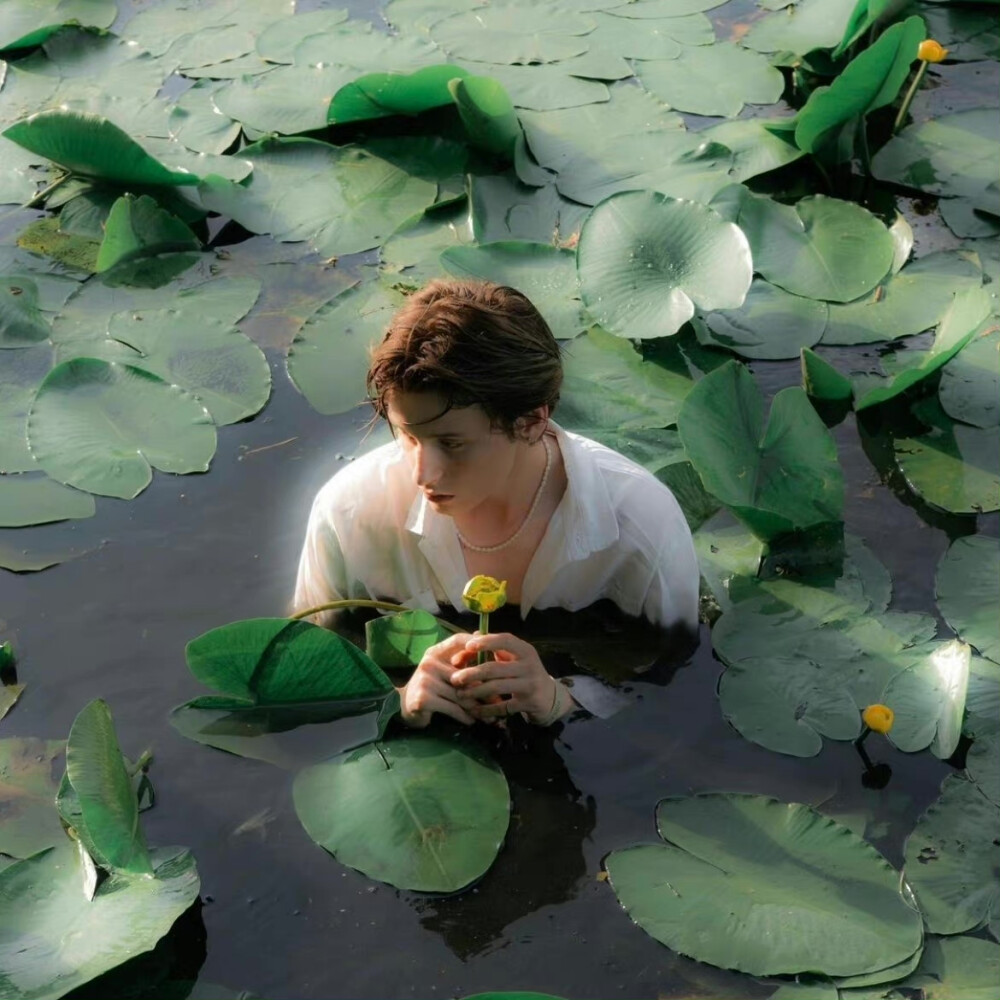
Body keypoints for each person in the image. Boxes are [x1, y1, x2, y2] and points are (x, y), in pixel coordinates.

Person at [293, 279, 699, 729]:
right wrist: (400, 698)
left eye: (452, 443)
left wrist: (561, 701)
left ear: (530, 422)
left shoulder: (641, 523)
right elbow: (312, 668)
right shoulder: (347, 513)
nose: (420, 473)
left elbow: (675, 686)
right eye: (408, 436)